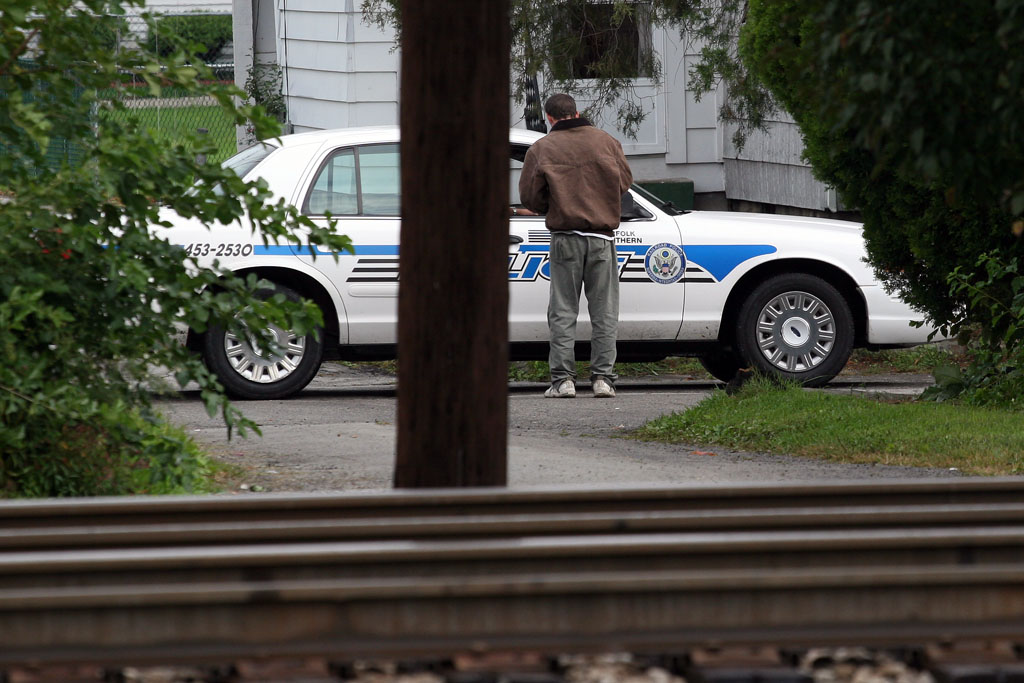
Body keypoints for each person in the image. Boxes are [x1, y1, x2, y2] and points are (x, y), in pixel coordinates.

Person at [518, 93, 633, 398]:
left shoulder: (542, 148)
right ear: (577, 112)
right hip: (602, 238)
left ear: (550, 118)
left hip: (566, 238)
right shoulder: (606, 141)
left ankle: (563, 380)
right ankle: (603, 380)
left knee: (563, 311)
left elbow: (530, 198)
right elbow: (623, 183)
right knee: (605, 312)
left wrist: (555, 203)